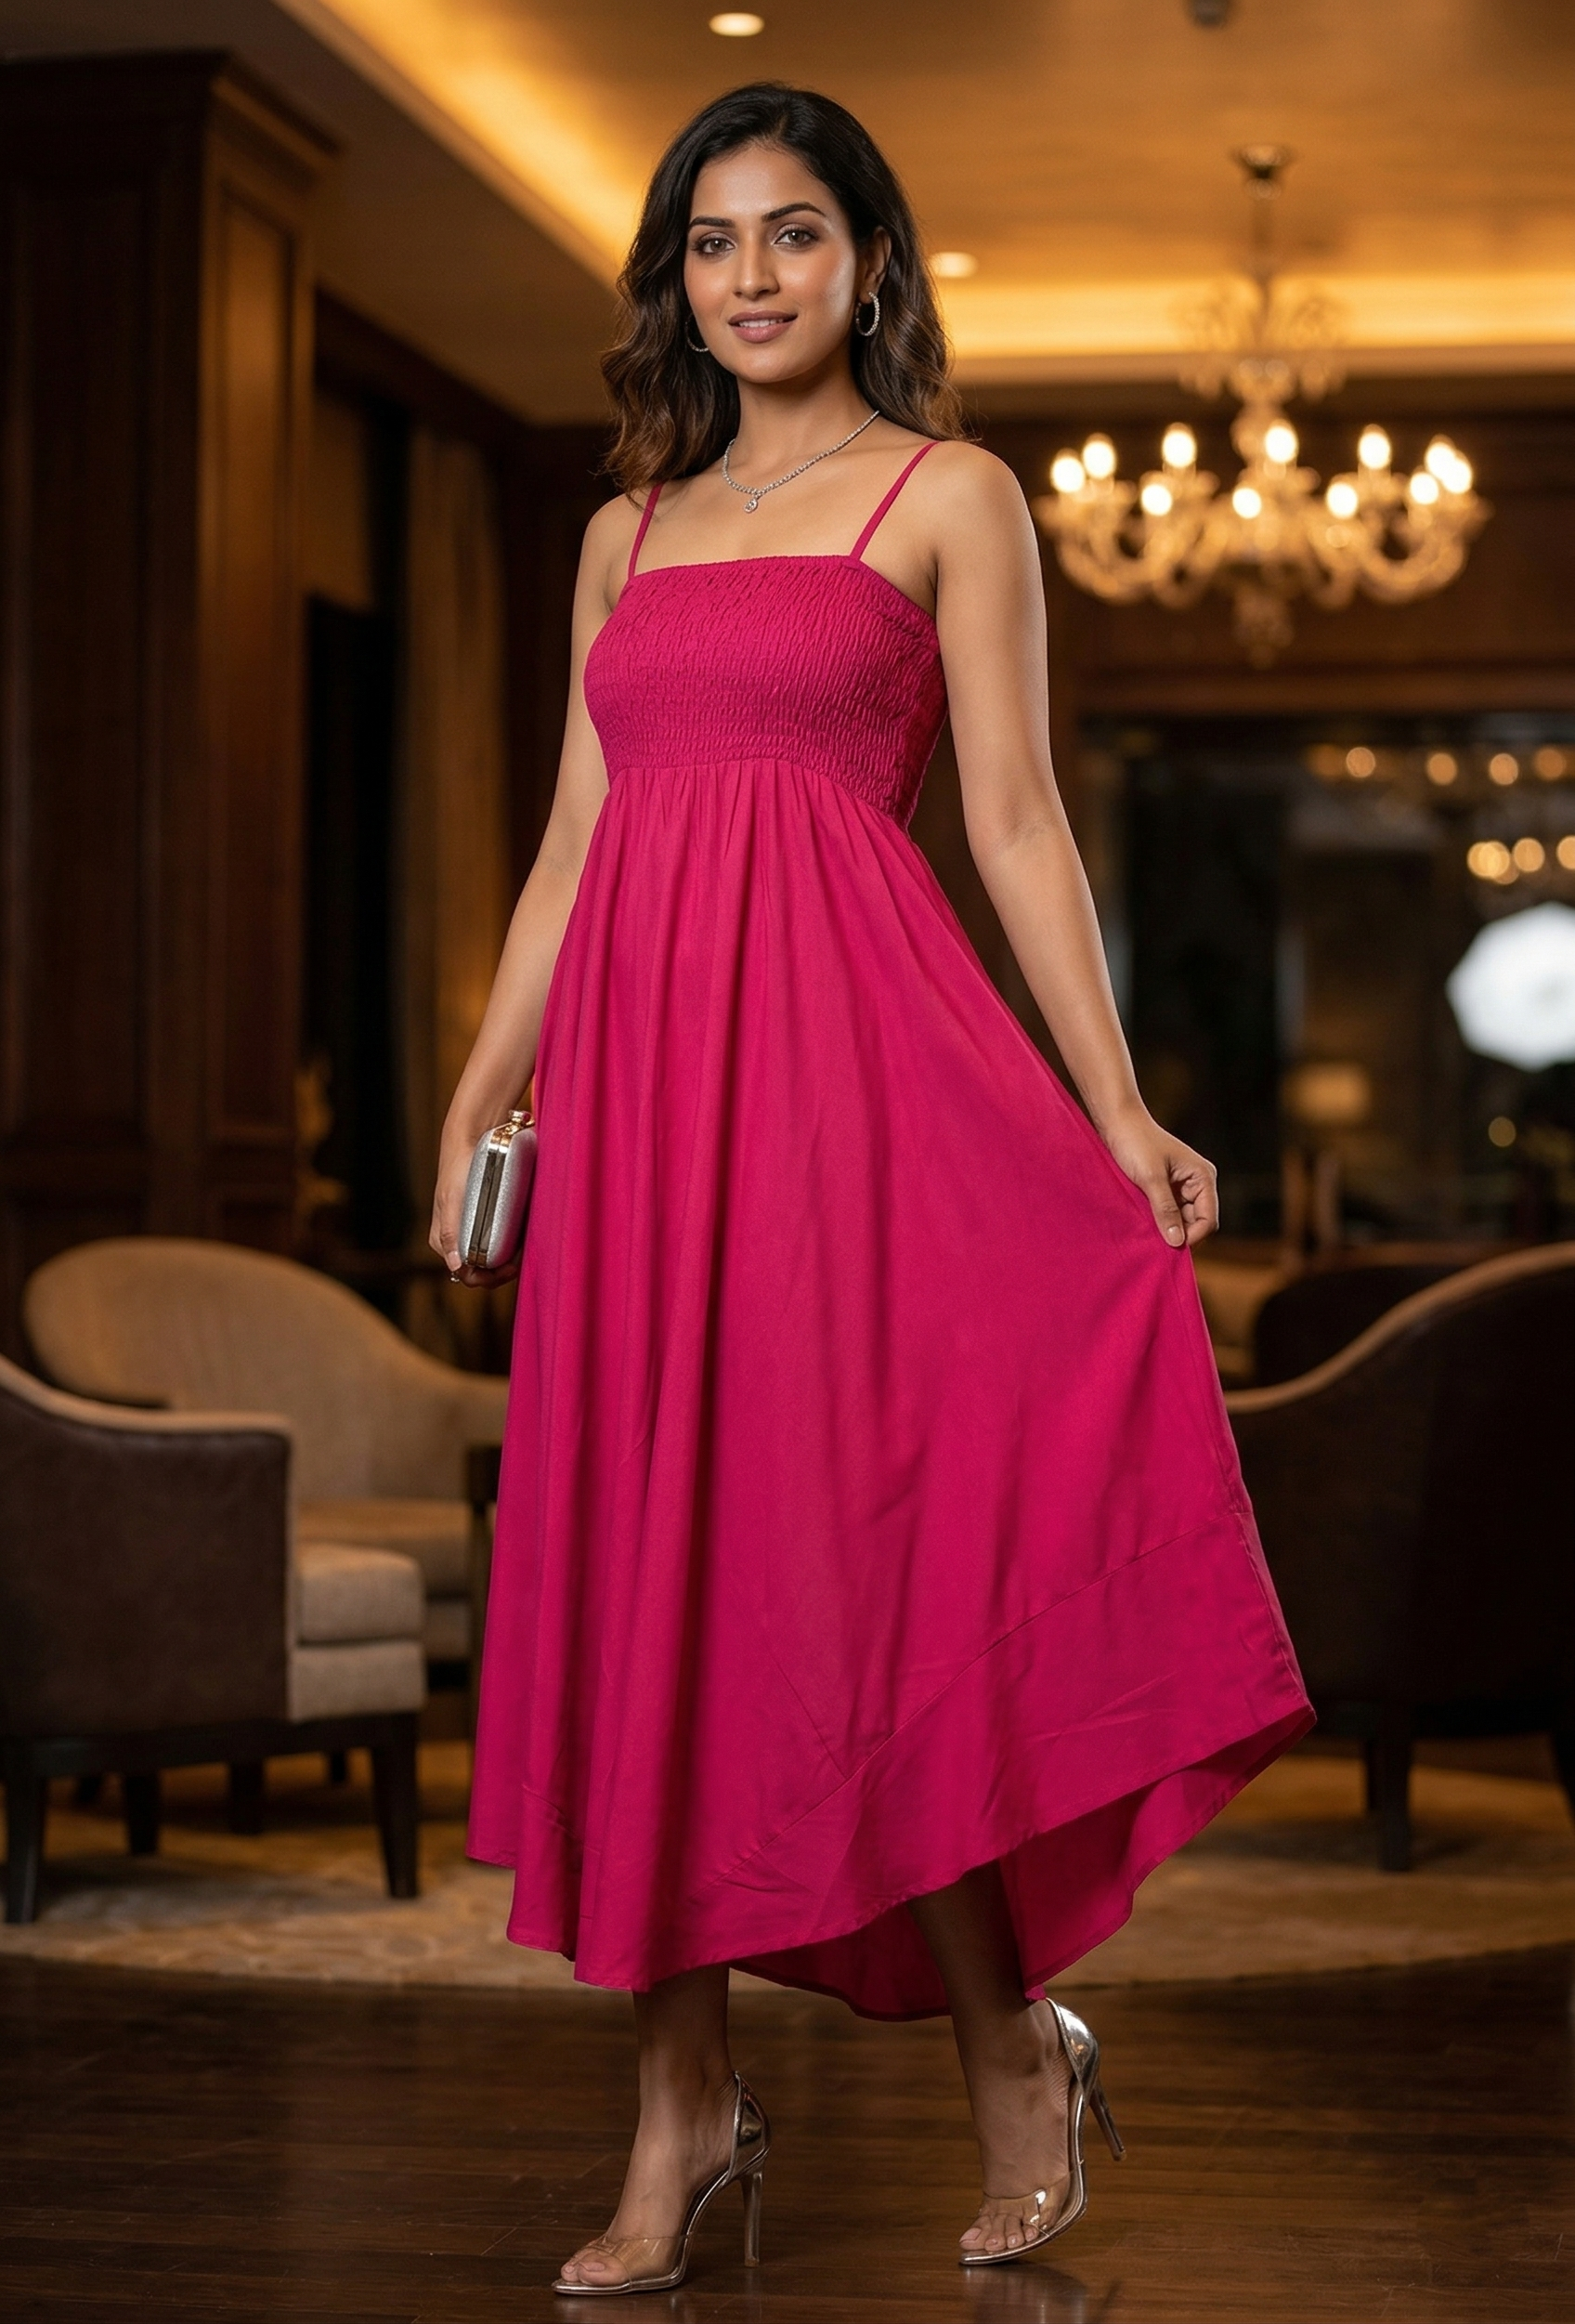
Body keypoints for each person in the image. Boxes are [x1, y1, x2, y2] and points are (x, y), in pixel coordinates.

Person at [433, 80, 1311, 2297]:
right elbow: (571, 843)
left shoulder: (952, 497)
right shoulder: (619, 534)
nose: (750, 276)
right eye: (712, 240)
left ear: (864, 263)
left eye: (792, 233)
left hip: (854, 1091)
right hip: (639, 1117)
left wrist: (1111, 1114)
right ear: (677, 279)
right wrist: (478, 1093)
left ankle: (1012, 2052)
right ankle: (673, 2115)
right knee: (665, 1585)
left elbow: (1011, 825)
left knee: (868, 1584)